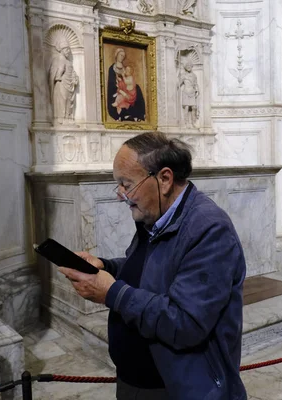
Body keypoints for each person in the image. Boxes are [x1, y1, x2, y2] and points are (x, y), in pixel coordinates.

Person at [58, 132, 247, 400]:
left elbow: (185, 323)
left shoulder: (209, 228)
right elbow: (155, 270)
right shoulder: (156, 216)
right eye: (118, 185)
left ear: (164, 179)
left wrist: (111, 293)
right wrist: (106, 266)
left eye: (126, 184)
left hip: (180, 390)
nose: (120, 195)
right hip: (137, 381)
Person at [107, 48, 146, 122]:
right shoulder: (112, 68)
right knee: (120, 95)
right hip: (116, 89)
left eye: (123, 56)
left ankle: (140, 113)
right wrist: (119, 86)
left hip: (126, 89)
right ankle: (121, 112)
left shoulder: (125, 69)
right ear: (116, 55)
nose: (121, 57)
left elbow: (128, 80)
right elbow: (111, 83)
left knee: (137, 88)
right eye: (120, 55)